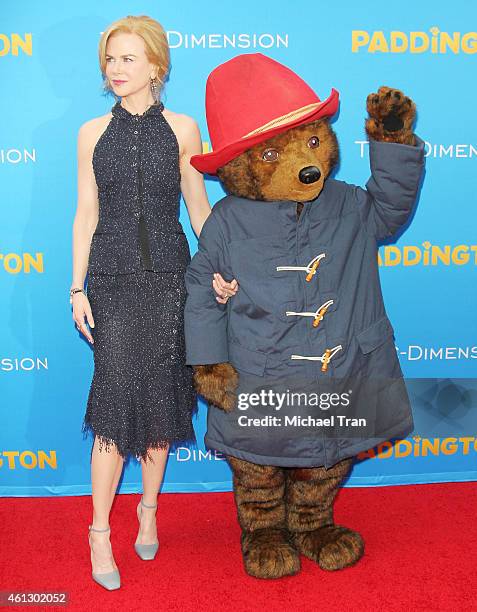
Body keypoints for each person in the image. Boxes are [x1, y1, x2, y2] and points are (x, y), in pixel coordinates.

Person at [70, 14, 237, 591]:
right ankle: (97, 530)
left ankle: (147, 509)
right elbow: (85, 214)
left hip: (171, 279)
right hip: (112, 283)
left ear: (156, 67)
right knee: (116, 398)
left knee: (164, 400)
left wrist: (219, 268)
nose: (117, 69)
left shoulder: (184, 129)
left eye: (128, 59)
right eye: (111, 59)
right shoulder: (91, 132)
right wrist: (76, 287)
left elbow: (198, 209)